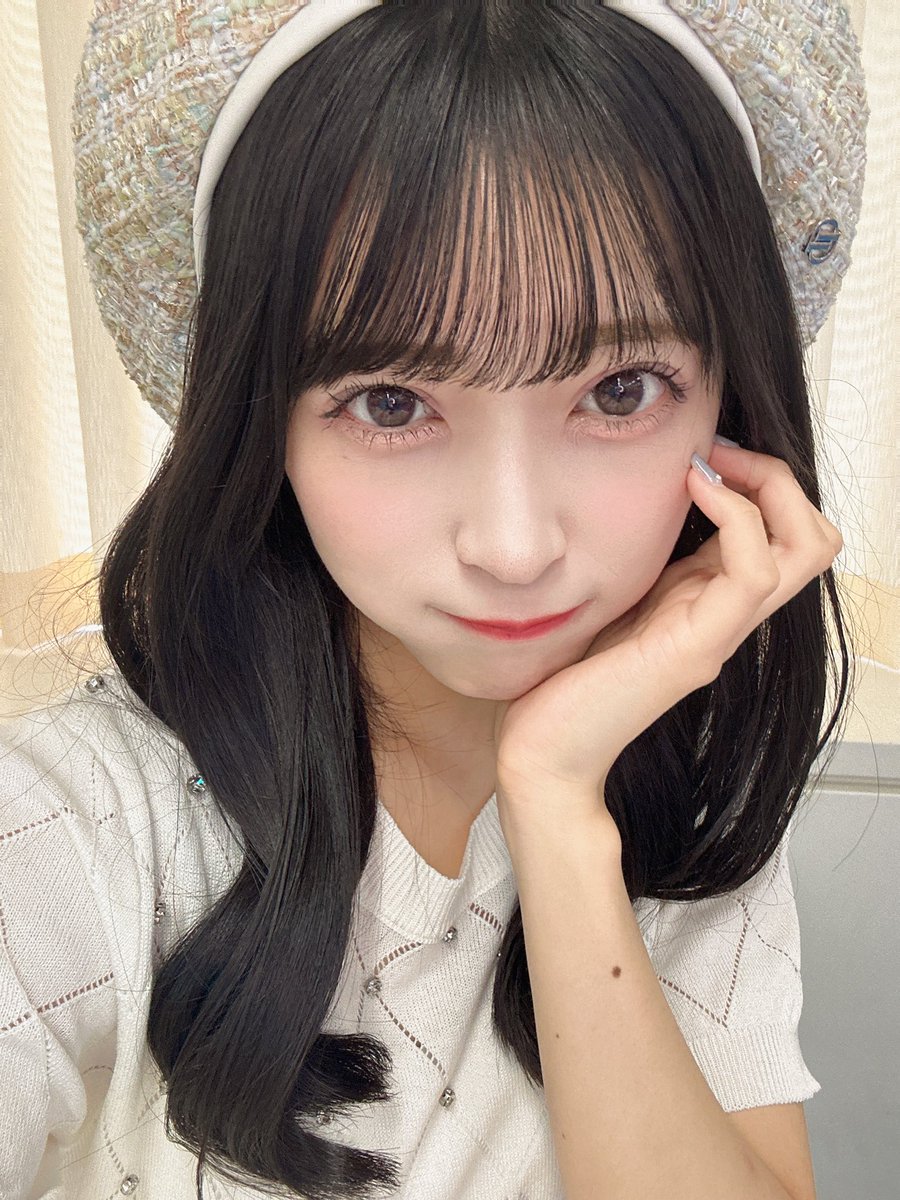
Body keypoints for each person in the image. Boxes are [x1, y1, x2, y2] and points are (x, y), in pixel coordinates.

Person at [0, 2, 869, 1198]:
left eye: (621, 390)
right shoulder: (74, 823)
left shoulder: (689, 786)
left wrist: (558, 802)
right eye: (393, 403)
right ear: (265, 421)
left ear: (730, 403)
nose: (512, 546)